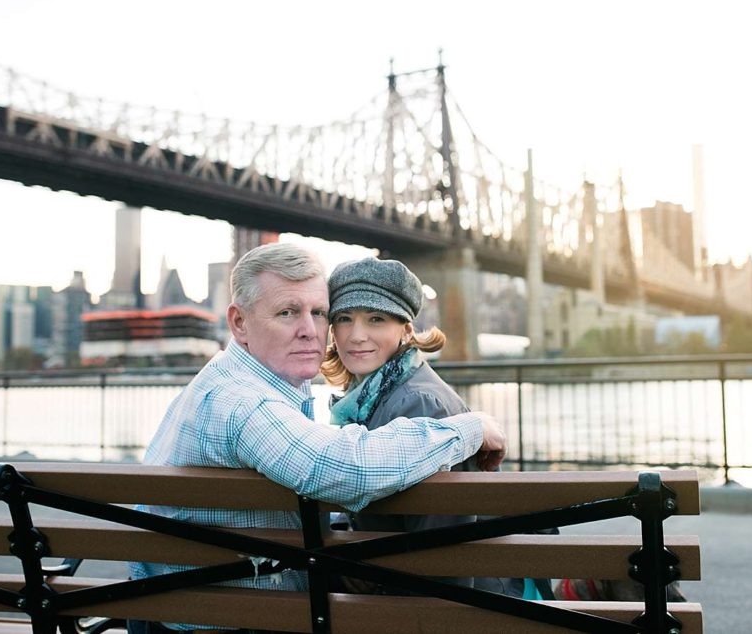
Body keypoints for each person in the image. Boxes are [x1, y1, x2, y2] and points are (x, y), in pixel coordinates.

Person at [128, 243, 506, 634]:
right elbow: (345, 469)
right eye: (287, 312)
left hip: (192, 604)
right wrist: (470, 428)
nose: (310, 330)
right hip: (225, 618)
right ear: (239, 323)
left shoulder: (227, 378)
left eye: (318, 313)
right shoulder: (245, 404)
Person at [322, 256, 521, 596]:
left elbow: (442, 551)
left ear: (407, 330)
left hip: (458, 605)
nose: (356, 335)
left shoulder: (420, 405)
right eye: (344, 319)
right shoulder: (371, 397)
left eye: (376, 319)